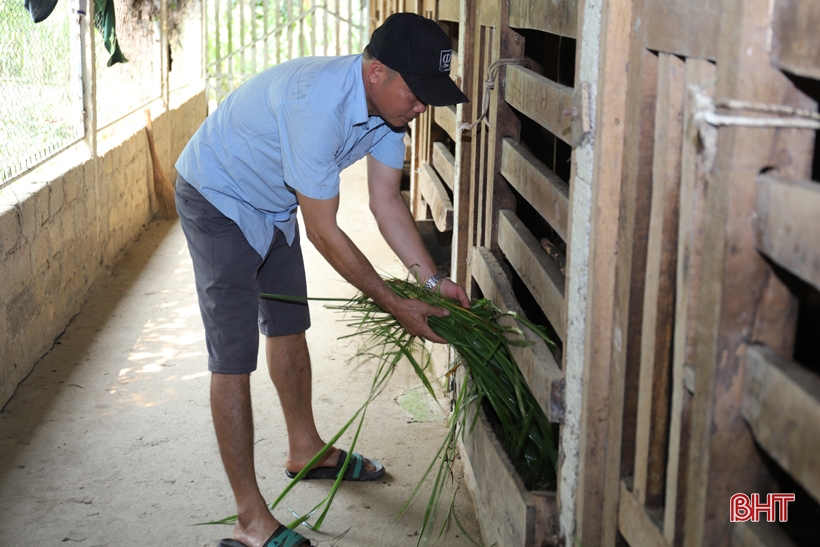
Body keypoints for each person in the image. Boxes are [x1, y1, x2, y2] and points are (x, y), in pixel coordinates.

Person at [174, 12, 470, 547]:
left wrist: (429, 284)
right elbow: (325, 232)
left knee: (288, 324)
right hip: (218, 197)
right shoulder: (317, 106)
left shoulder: (389, 116)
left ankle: (304, 448)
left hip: (275, 202)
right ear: (377, 72)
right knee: (232, 356)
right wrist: (392, 304)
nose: (424, 106)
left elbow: (385, 203)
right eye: (417, 91)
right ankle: (249, 520)